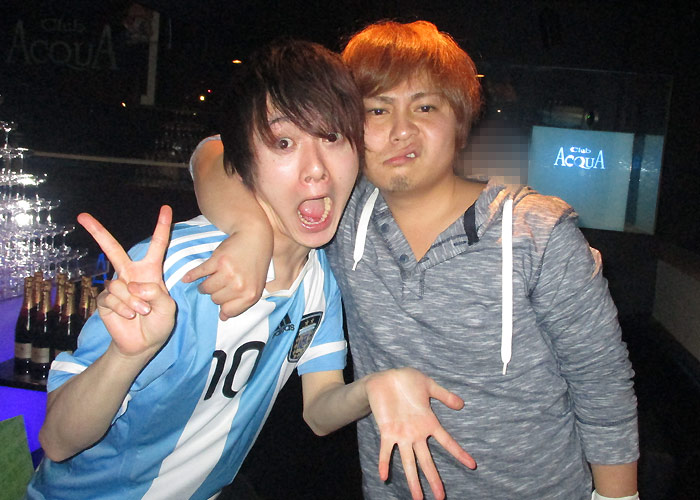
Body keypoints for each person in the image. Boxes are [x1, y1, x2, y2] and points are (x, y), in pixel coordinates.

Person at [187, 21, 639, 500]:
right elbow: (211, 154)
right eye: (377, 110)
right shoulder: (341, 218)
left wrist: (618, 497)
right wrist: (251, 230)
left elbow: (603, 386)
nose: (401, 130)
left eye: (425, 107)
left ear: (460, 120)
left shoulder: (536, 233)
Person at [24, 39, 476, 500]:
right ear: (244, 163)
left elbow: (319, 411)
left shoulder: (319, 277)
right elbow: (56, 442)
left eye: (331, 137)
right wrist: (126, 358)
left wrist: (375, 388)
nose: (316, 170)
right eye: (284, 143)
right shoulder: (173, 271)